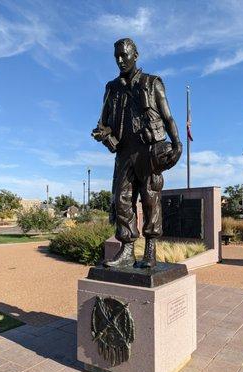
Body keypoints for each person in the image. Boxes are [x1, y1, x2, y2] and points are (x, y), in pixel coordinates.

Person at [92, 38, 182, 268]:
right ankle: (127, 249)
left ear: (136, 55)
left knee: (151, 197)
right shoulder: (111, 88)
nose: (121, 60)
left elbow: (168, 116)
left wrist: (178, 143)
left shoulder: (152, 83)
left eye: (125, 55)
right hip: (123, 153)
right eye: (117, 57)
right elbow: (102, 123)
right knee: (122, 200)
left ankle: (150, 249)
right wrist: (103, 134)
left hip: (148, 150)